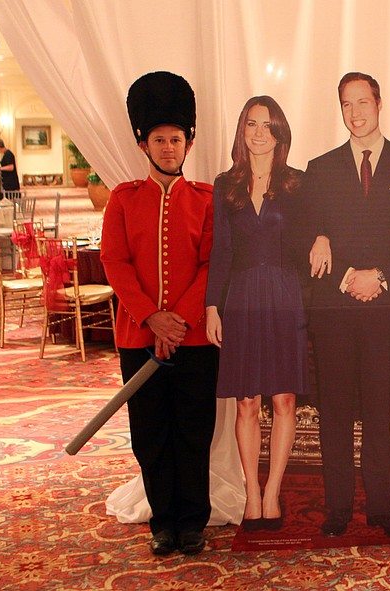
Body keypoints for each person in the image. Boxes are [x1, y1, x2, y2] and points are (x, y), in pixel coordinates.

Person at [303, 72, 390, 539]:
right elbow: (308, 233)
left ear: (380, 104)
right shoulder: (319, 168)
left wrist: (378, 275)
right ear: (339, 109)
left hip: (384, 305)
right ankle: (337, 511)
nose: (355, 112)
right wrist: (344, 277)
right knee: (334, 412)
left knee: (378, 413)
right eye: (346, 104)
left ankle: (382, 510)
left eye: (363, 102)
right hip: (333, 310)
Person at [101, 71, 217, 556]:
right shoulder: (122, 200)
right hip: (137, 337)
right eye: (159, 140)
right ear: (142, 143)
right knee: (150, 433)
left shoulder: (207, 200)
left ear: (188, 141)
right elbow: (114, 261)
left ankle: (193, 521)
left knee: (194, 429)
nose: (168, 148)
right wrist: (151, 317)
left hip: (193, 340)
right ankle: (163, 521)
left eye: (176, 139)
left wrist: (179, 320)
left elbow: (213, 264)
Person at [205, 96, 308, 532]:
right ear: (241, 131)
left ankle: (273, 492)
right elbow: (221, 251)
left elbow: (308, 244)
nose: (259, 132)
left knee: (284, 398)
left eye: (268, 125)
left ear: (280, 132)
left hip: (285, 296)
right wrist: (212, 305)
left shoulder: (297, 183)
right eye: (252, 124)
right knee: (246, 402)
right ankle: (251, 493)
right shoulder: (225, 183)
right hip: (242, 297)